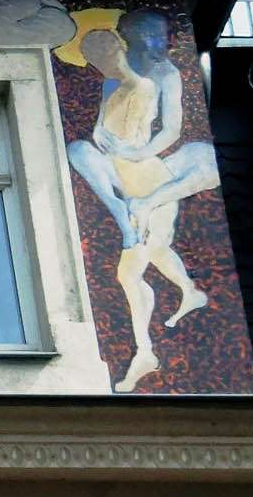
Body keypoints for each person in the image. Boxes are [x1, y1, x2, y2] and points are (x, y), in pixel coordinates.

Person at [70, 25, 212, 392]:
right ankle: (186, 294)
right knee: (152, 252)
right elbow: (100, 135)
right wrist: (105, 142)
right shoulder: (111, 89)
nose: (106, 66)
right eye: (98, 61)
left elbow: (154, 135)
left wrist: (130, 152)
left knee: (133, 269)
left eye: (108, 56)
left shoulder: (146, 86)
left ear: (120, 49)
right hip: (125, 178)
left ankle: (145, 352)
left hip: (148, 179)